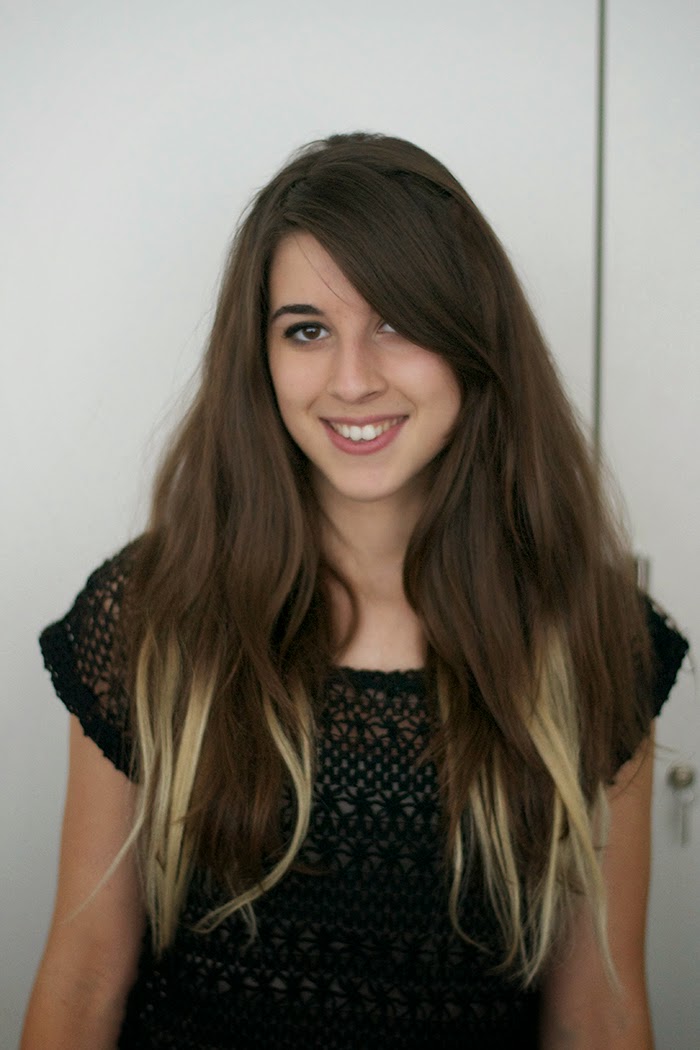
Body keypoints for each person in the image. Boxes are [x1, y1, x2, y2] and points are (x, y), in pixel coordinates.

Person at [22, 132, 688, 1049]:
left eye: (397, 323)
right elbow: (85, 976)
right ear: (259, 357)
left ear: (473, 339)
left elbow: (600, 1015)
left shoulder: (596, 635)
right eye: (307, 330)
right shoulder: (150, 612)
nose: (352, 380)